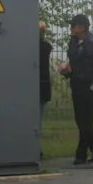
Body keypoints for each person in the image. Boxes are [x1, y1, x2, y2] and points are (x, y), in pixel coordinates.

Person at [58, 14, 93, 165]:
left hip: (90, 86)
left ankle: (81, 155)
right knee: (80, 121)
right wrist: (66, 71)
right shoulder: (72, 43)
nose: (72, 29)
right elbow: (73, 63)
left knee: (86, 121)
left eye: (74, 26)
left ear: (83, 27)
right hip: (76, 85)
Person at [38, 21, 52, 157]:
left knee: (35, 119)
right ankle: (37, 148)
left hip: (38, 86)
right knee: (38, 119)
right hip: (43, 86)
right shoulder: (46, 47)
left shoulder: (38, 48)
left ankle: (36, 148)